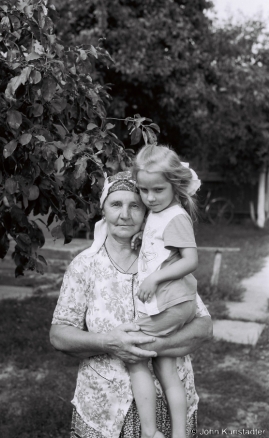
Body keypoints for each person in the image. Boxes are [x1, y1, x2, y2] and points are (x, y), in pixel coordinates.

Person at [49, 171, 212, 438]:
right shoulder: (85, 265)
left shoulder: (167, 259)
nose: (124, 214)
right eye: (116, 204)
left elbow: (204, 326)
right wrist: (109, 342)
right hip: (104, 413)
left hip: (169, 411)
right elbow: (59, 335)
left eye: (134, 205)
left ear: (147, 210)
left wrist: (154, 347)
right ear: (103, 210)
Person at [127, 145, 202, 438]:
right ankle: (179, 434)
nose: (150, 197)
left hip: (172, 303)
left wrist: (155, 278)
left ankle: (149, 432)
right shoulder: (159, 214)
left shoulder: (176, 216)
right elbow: (159, 247)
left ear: (175, 184)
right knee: (165, 366)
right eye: (143, 190)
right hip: (172, 302)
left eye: (158, 189)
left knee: (131, 350)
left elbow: (191, 260)